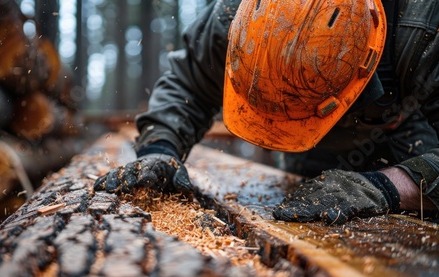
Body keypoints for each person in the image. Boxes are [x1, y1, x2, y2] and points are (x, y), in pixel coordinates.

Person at [95, 0, 439, 224]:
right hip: (311, 152)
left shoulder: (421, 26)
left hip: (400, 141)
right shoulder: (234, 17)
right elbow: (187, 84)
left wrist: (388, 187)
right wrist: (161, 148)